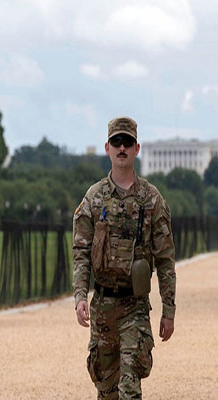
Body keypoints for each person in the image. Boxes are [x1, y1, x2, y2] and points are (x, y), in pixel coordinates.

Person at [73, 116, 176, 399]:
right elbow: (81, 252)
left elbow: (165, 260)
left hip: (135, 306)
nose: (122, 148)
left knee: (130, 388)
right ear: (107, 148)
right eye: (116, 142)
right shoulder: (94, 198)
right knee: (107, 391)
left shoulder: (151, 199)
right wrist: (80, 296)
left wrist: (169, 310)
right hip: (103, 306)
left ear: (136, 148)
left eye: (127, 142)